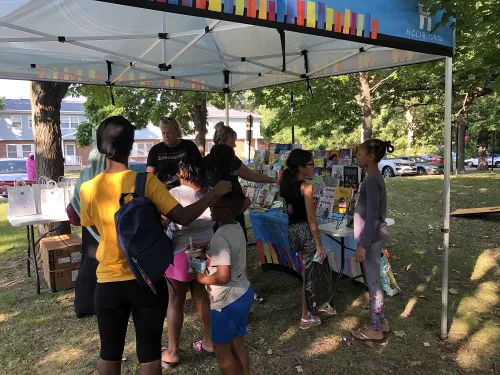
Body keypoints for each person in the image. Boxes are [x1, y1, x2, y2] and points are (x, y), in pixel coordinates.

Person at [79, 115, 231, 375]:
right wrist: (214, 193)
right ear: (131, 144)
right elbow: (183, 217)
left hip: (107, 282)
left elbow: (96, 229)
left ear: (101, 146)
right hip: (147, 280)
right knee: (149, 354)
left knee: (109, 352)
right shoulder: (147, 183)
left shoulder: (87, 189)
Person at [211, 122, 278, 304]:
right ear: (224, 141)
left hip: (230, 211)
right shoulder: (218, 162)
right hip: (226, 212)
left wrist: (271, 180)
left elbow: (251, 176)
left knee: (232, 250)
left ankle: (243, 288)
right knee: (230, 251)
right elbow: (252, 176)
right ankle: (234, 289)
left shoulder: (223, 161)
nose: (234, 146)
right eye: (232, 143)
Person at [161, 156, 215, 367]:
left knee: (175, 302)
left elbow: (163, 222)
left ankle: (173, 352)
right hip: (204, 251)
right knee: (201, 296)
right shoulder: (208, 193)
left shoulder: (173, 194)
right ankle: (209, 342)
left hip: (181, 254)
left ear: (182, 173)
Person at [193, 191, 253, 375]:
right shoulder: (235, 227)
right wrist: (208, 248)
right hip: (243, 293)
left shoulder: (220, 237)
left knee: (223, 353)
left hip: (226, 303)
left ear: (225, 211)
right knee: (237, 344)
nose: (210, 209)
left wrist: (202, 278)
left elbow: (223, 276)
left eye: (214, 207)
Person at [279, 149, 337, 330]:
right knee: (310, 275)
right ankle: (305, 316)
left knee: (311, 270)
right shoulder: (306, 188)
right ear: (301, 167)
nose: (314, 167)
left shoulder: (286, 182)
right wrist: (318, 244)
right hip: (305, 232)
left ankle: (319, 304)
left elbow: (288, 209)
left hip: (293, 230)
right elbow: (312, 220)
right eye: (311, 164)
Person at [351, 139, 394, 342]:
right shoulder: (373, 178)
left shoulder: (371, 180)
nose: (357, 156)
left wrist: (362, 245)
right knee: (374, 280)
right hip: (373, 238)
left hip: (371, 239)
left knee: (373, 283)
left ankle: (375, 328)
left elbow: (372, 217)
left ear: (371, 157)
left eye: (360, 153)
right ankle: (382, 322)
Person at [66, 132, 106, 318]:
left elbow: (75, 202)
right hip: (107, 227)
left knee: (90, 264)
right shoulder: (117, 174)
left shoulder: (85, 174)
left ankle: (85, 304)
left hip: (89, 226)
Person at [147, 117, 203, 188]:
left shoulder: (189, 146)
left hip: (187, 189)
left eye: (169, 133)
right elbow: (149, 176)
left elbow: (200, 168)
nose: (166, 136)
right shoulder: (155, 150)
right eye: (163, 133)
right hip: (164, 190)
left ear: (177, 131)